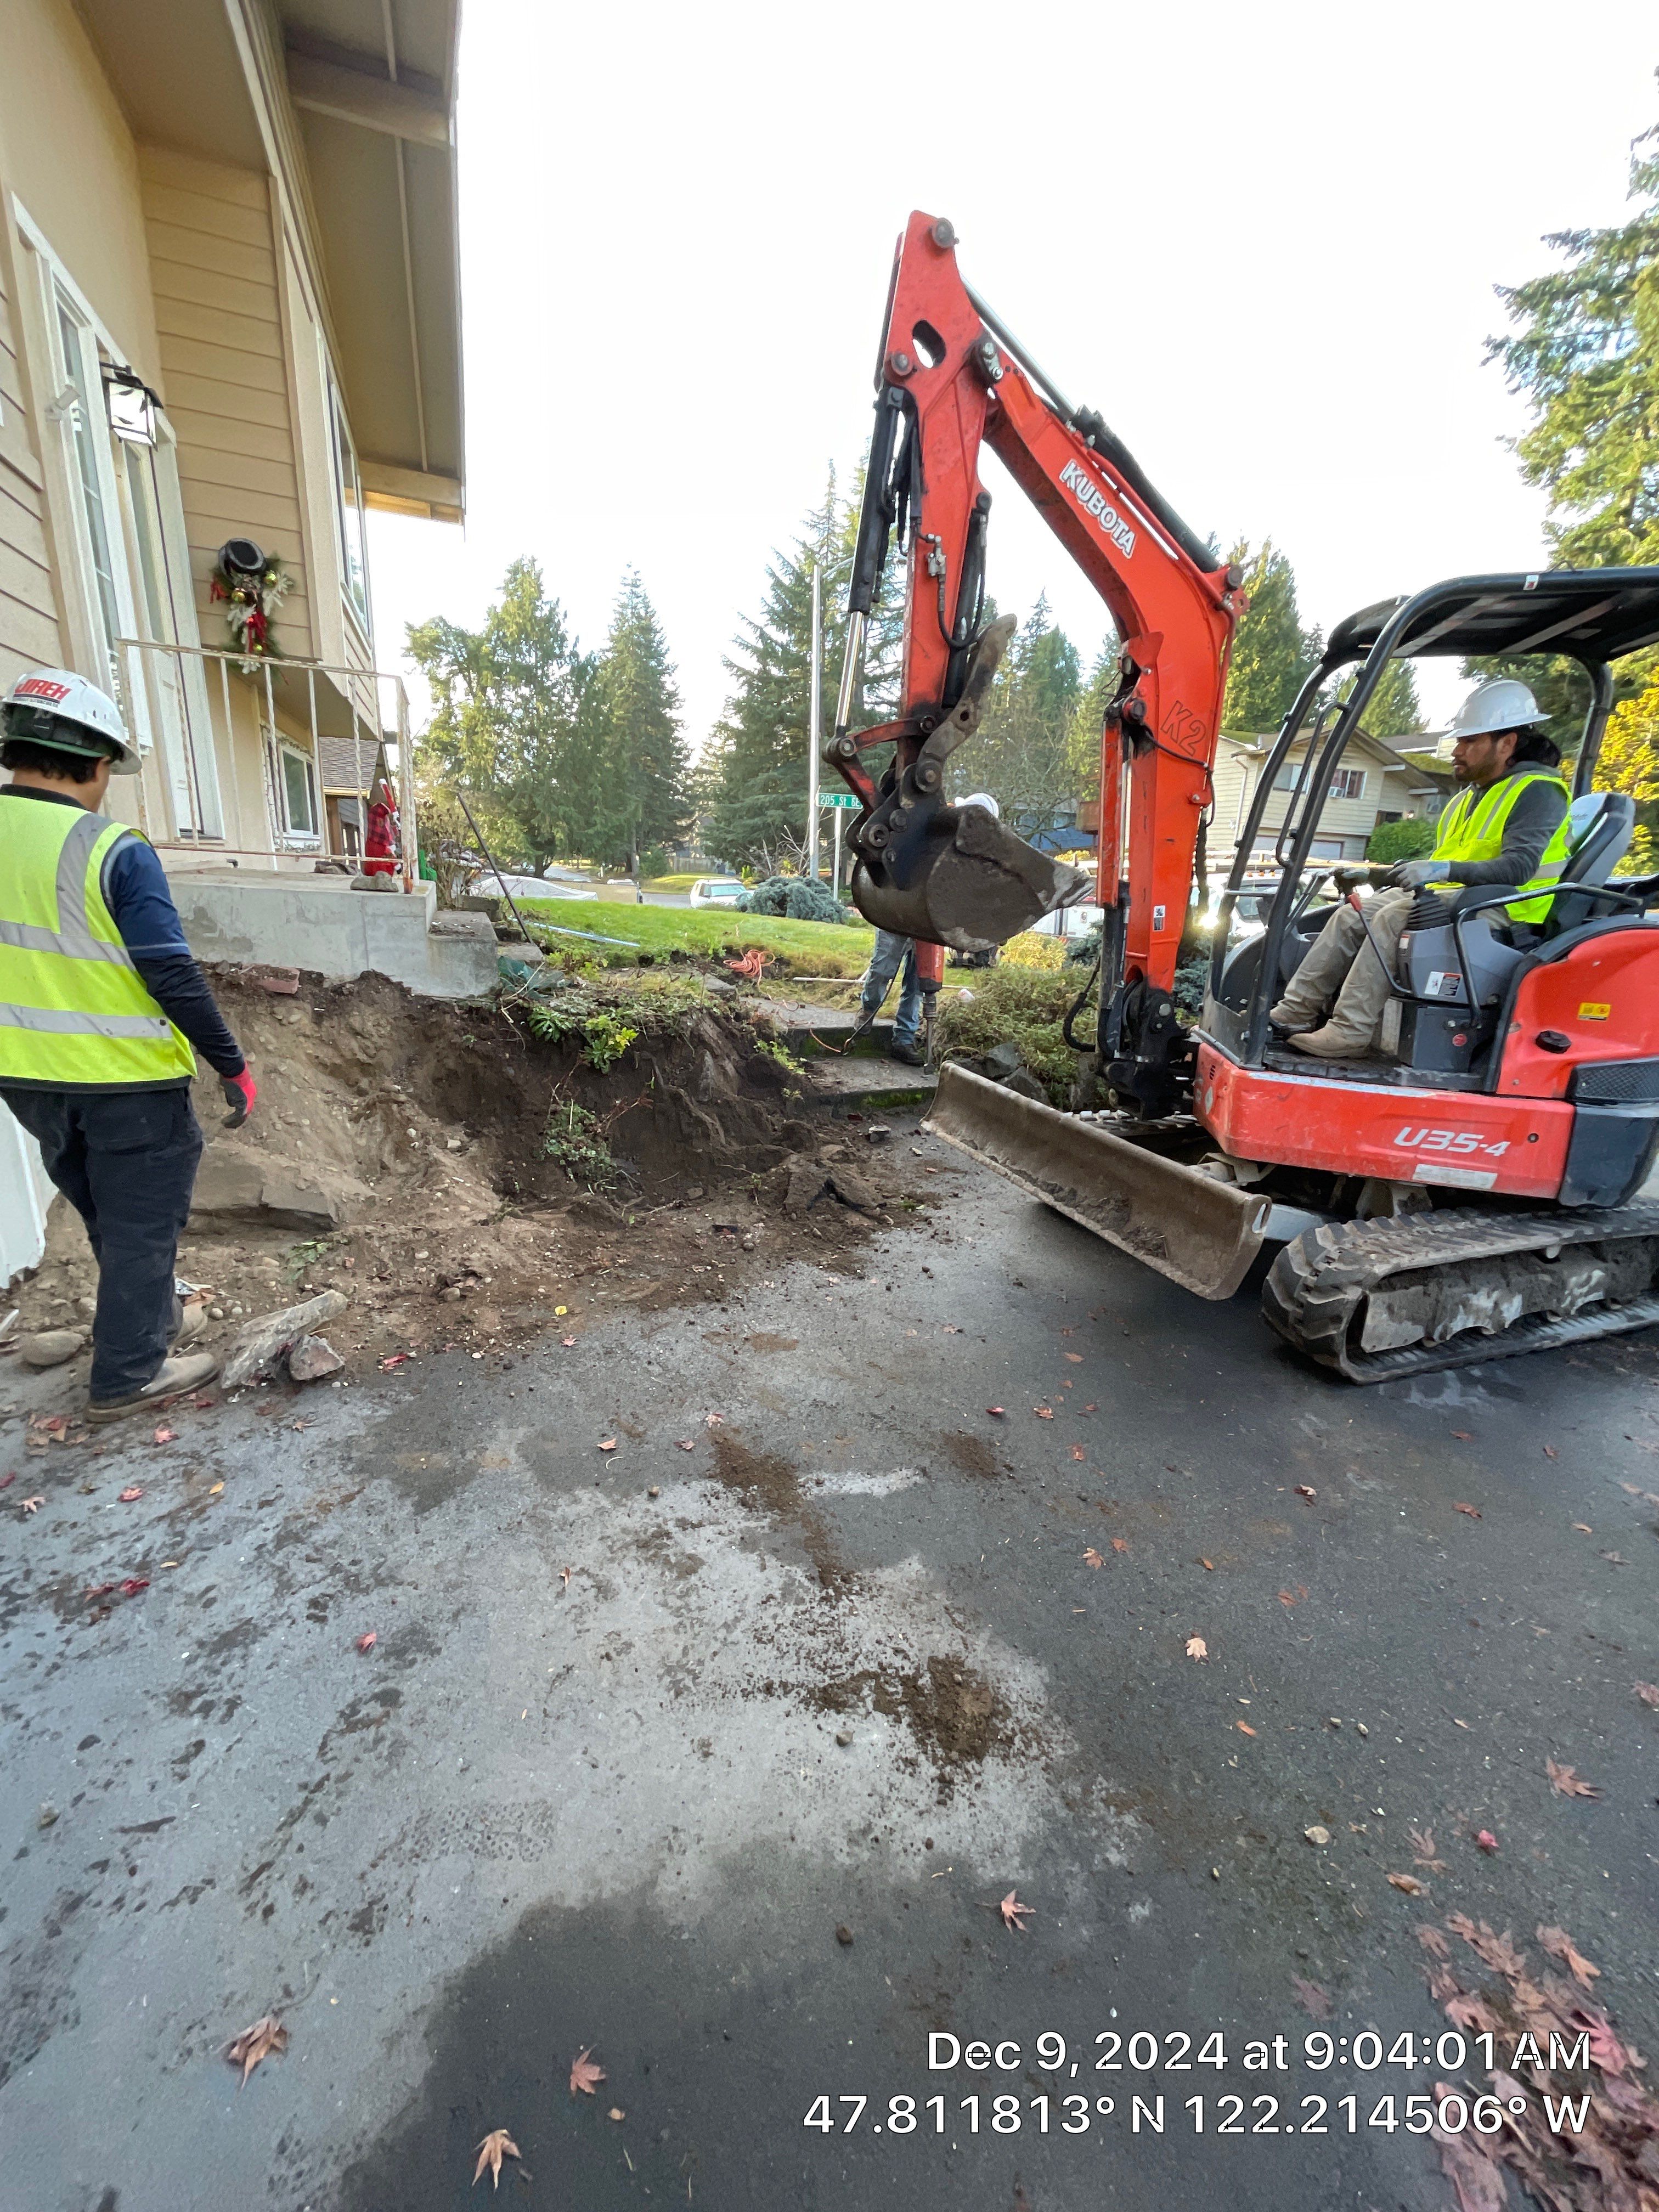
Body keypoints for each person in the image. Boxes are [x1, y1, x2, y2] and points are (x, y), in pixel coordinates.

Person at [0, 669, 257, 1419]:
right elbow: (170, 973)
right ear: (98, 762)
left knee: (106, 1213)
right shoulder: (110, 847)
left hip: (26, 1079)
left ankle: (143, 1323)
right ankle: (130, 1374)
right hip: (127, 1080)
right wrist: (232, 1066)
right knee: (142, 1221)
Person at [1268, 679, 1572, 1058]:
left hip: (1506, 908)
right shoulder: (1472, 797)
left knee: (1394, 917)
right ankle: (1292, 1014)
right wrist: (1375, 876)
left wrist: (1440, 870)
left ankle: (1350, 1032)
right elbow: (1442, 862)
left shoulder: (1537, 792)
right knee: (1351, 916)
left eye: (1469, 742)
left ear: (1507, 743)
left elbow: (1520, 867)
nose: (1457, 752)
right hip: (1458, 897)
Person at [855, 790, 1002, 1066]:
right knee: (884, 969)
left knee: (918, 982)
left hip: (928, 921)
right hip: (897, 910)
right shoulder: (931, 828)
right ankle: (867, 1012)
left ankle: (905, 1039)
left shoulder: (971, 852)